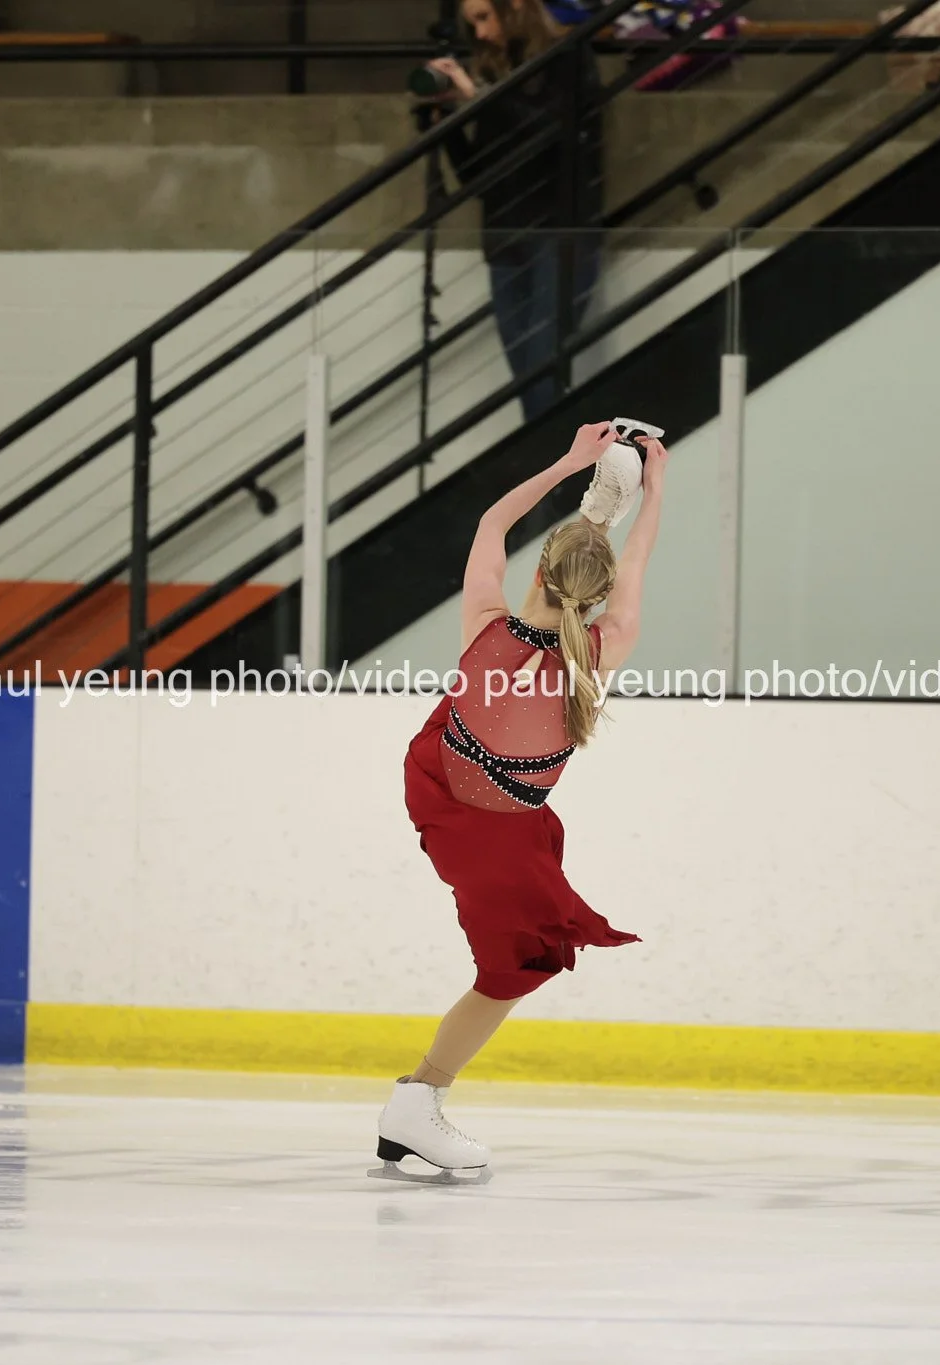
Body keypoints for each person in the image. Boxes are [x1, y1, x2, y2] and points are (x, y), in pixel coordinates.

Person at [375, 420, 668, 1183]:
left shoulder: (483, 626)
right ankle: (417, 1100)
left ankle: (591, 514)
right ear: (598, 599)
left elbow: (490, 524)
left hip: (438, 777)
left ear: (540, 573)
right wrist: (655, 494)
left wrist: (568, 463)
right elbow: (636, 568)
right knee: (516, 966)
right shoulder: (603, 648)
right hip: (492, 830)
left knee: (525, 950)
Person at [421, 0, 605, 423]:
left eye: (484, 18)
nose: (481, 34)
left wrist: (482, 98)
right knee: (527, 379)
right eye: (472, 25)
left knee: (541, 371)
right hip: (505, 237)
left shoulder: (567, 55)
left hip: (560, 232)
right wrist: (446, 125)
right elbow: (477, 176)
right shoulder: (493, 72)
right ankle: (550, 462)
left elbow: (555, 134)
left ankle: (548, 464)